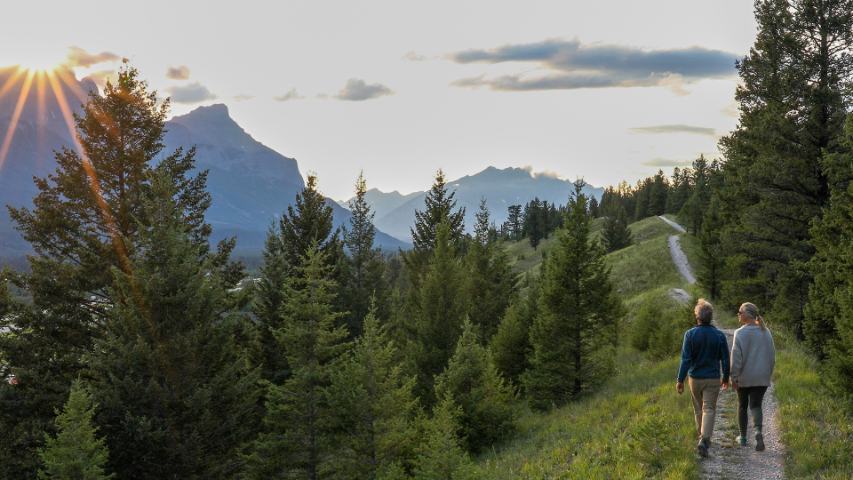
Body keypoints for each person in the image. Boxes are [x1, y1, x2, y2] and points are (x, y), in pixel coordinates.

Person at [676, 298, 730, 458]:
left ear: (697, 317)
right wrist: (725, 377)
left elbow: (685, 359)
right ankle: (704, 440)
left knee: (698, 409)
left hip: (695, 378)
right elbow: (726, 359)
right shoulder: (719, 336)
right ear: (710, 317)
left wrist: (680, 379)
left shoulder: (690, 334)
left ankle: (702, 437)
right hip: (713, 378)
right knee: (709, 409)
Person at [731, 302, 775, 451]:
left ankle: (743, 438)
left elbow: (736, 359)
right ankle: (758, 432)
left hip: (745, 376)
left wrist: (734, 377)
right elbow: (772, 356)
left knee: (742, 405)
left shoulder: (740, 333)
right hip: (761, 375)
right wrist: (768, 373)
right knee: (756, 405)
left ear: (747, 315)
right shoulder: (766, 331)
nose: (738, 314)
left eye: (740, 312)